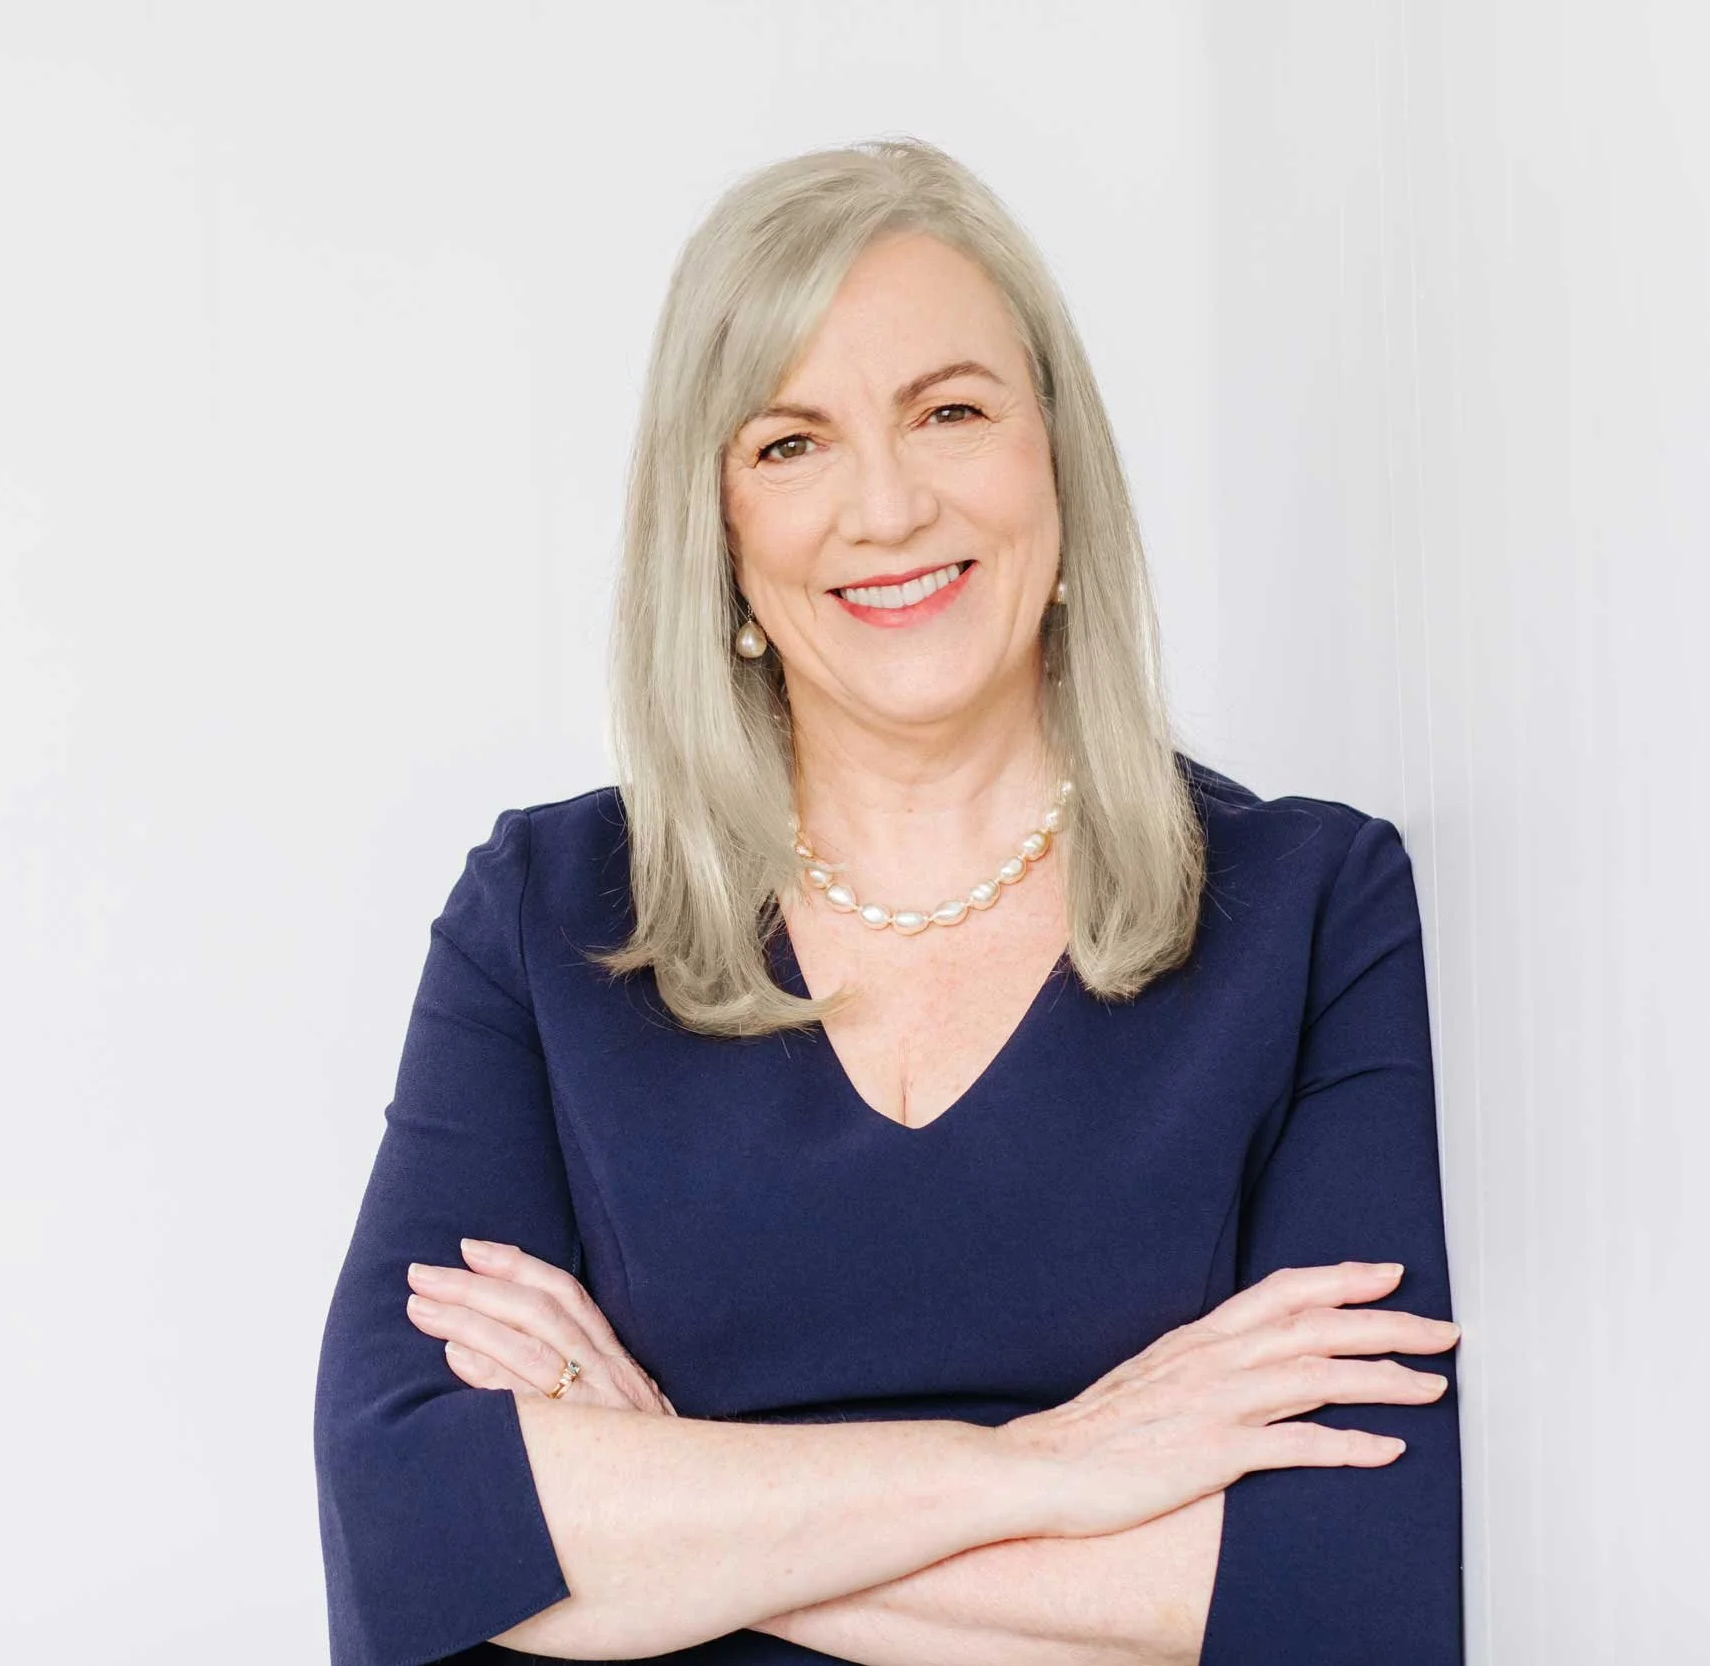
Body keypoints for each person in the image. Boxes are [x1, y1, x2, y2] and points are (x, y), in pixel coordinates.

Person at [310, 137, 1463, 1666]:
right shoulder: (548, 915)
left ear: (1055, 459)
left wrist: (673, 1503)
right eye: (791, 443)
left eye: (952, 412)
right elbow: (404, 1529)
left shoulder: (1312, 908)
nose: (888, 504)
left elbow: (1357, 1596)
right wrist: (1055, 1468)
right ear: (718, 539)